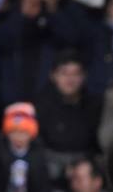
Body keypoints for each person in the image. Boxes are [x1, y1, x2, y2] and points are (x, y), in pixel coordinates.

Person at [35, 52, 103, 181]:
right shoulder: (40, 106)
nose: (70, 79)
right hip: (49, 169)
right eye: (64, 73)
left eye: (76, 74)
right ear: (53, 75)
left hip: (84, 169)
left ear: (84, 76)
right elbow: (36, 149)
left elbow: (97, 145)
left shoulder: (94, 105)